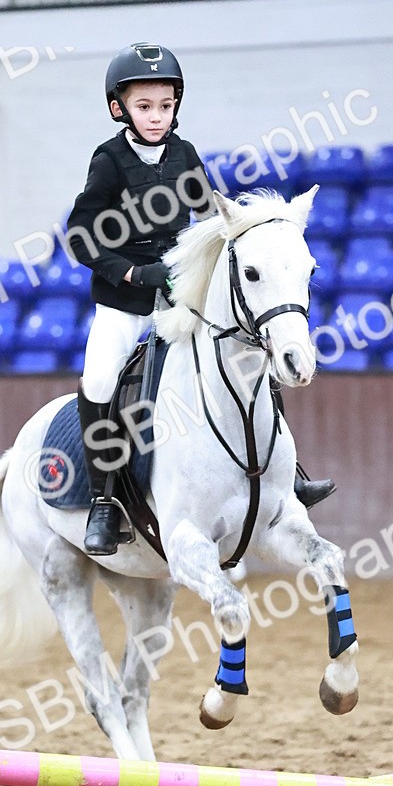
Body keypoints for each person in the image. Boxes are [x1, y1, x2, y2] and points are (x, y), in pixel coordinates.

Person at [67, 42, 334, 557]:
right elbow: (82, 234)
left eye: (164, 106)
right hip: (124, 300)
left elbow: (214, 218)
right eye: (144, 107)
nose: (156, 116)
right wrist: (131, 272)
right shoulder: (108, 161)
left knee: (242, 353)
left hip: (177, 293)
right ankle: (104, 501)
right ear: (119, 107)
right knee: (100, 377)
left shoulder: (185, 155)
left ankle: (289, 474)